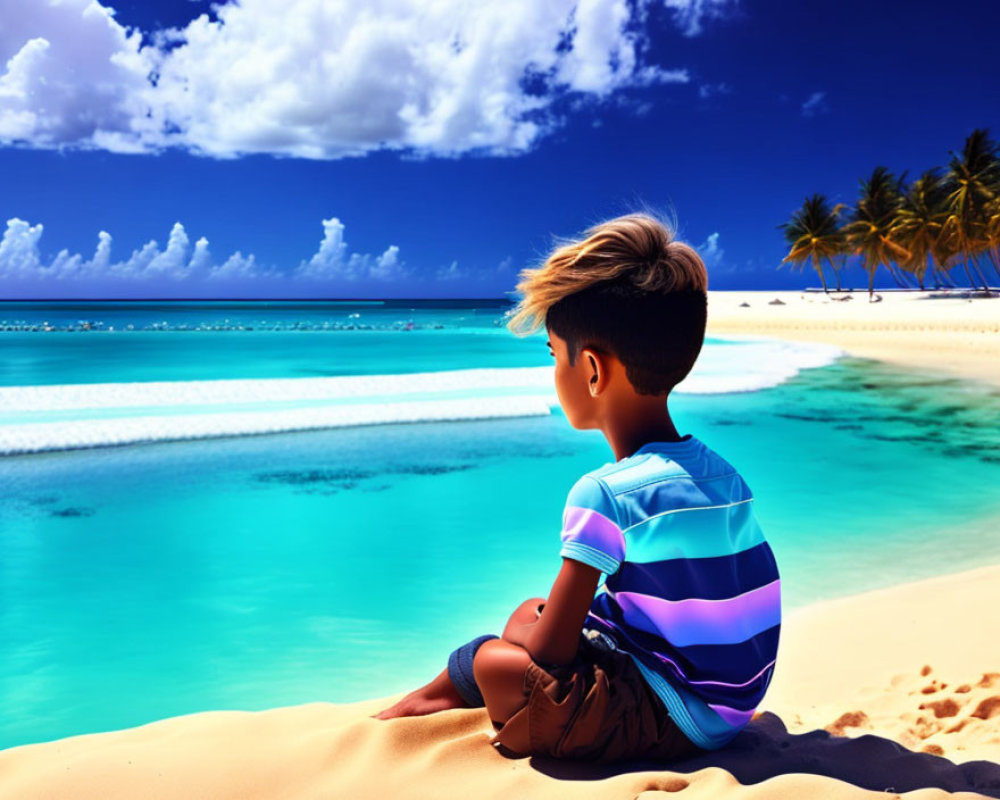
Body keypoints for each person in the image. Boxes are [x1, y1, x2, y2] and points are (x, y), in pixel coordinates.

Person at [372, 212, 781, 765]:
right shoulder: (720, 471)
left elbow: (551, 655)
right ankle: (443, 689)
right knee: (526, 611)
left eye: (552, 356)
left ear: (590, 370)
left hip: (674, 718)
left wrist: (522, 643)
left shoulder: (606, 493)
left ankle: (435, 694)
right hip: (730, 703)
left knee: (497, 659)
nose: (553, 374)